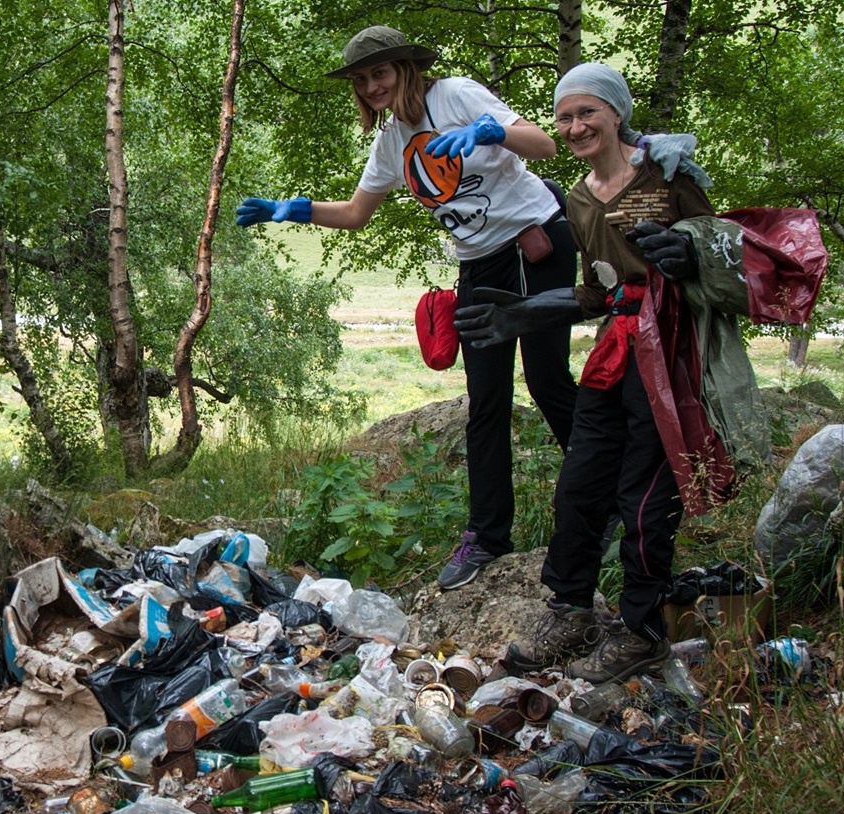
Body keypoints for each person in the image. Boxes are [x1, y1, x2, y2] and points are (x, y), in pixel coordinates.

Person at [236, 25, 579, 590]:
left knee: (546, 380)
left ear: (406, 68)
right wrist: (293, 210)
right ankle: (487, 537)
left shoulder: (456, 94)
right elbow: (356, 213)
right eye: (361, 79)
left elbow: (544, 145)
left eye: (380, 72)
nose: (371, 86)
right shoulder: (391, 142)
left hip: (534, 244)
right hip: (479, 265)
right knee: (486, 400)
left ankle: (606, 492)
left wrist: (491, 131)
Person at [455, 62, 719, 683]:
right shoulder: (575, 198)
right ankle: (570, 611)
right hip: (613, 351)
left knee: (643, 497)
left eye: (587, 113)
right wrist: (527, 310)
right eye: (565, 117)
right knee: (579, 486)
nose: (575, 127)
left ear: (616, 112)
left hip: (669, 354)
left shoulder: (670, 176)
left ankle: (643, 632)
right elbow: (598, 293)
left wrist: (692, 253)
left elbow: (726, 251)